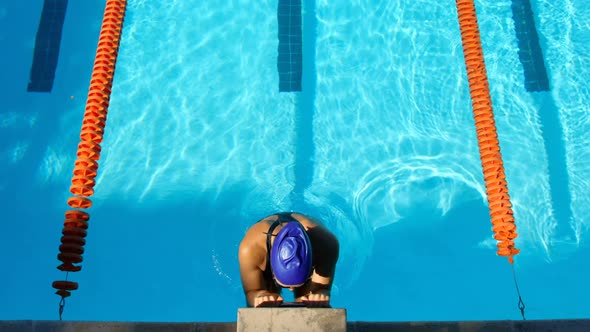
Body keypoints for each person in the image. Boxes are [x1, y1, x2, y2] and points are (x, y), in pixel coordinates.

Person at [238, 212, 339, 307]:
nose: (291, 289)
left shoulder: (327, 245)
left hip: (315, 245)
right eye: (287, 285)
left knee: (310, 303)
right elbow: (252, 291)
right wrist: (260, 295)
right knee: (266, 302)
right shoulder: (250, 250)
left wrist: (320, 294)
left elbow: (322, 288)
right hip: (263, 245)